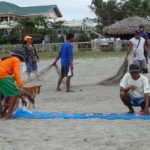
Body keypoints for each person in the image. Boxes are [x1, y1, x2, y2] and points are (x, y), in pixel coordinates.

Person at [0, 50, 26, 118]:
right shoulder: (16, 60)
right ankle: (9, 114)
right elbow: (16, 73)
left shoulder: (7, 60)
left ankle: (0, 114)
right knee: (15, 93)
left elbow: (13, 76)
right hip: (2, 75)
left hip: (2, 75)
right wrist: (20, 86)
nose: (20, 61)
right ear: (18, 57)